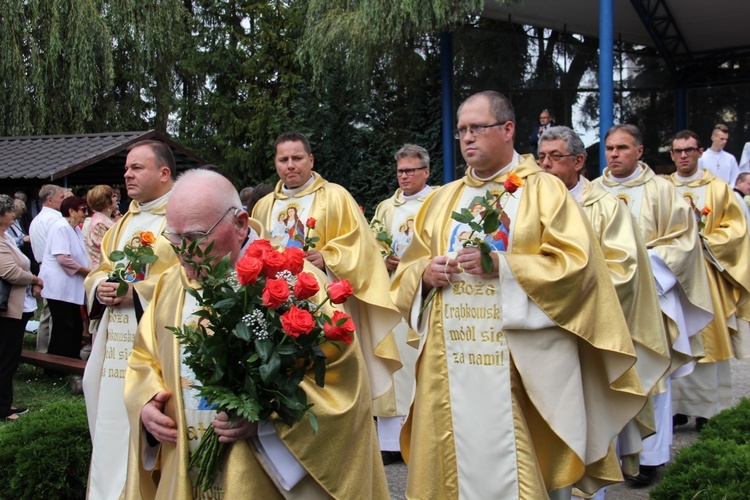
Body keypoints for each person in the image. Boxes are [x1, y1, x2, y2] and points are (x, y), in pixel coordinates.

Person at [392, 91, 646, 498]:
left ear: (508, 130)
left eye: (478, 128)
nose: (468, 138)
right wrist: (424, 275)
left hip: (522, 362)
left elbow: (577, 267)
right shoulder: (442, 199)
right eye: (462, 130)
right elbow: (407, 270)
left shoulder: (545, 191)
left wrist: (505, 267)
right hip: (451, 359)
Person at [123, 169, 389, 498]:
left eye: (194, 237)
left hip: (264, 476)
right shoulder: (169, 285)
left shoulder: (294, 281)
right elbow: (143, 356)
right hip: (187, 462)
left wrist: (267, 420)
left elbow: (340, 378)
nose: (184, 252)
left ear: (240, 223)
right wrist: (146, 402)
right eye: (174, 239)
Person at [538, 126, 671, 493]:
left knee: (588, 428)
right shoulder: (524, 206)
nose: (545, 165)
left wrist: (561, 295)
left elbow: (622, 273)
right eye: (541, 157)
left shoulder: (606, 208)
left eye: (555, 157)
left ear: (579, 162)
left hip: (588, 338)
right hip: (536, 339)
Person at [593, 124, 714, 484]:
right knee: (606, 374)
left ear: (640, 151)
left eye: (622, 148)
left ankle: (650, 457)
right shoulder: (592, 193)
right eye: (610, 148)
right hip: (605, 299)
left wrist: (642, 267)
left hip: (650, 300)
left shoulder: (662, 190)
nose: (614, 155)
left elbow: (684, 241)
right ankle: (607, 454)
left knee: (652, 374)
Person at [252, 132, 402, 402]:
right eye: (283, 159)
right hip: (276, 304)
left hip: (324, 302)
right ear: (275, 163)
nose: (291, 165)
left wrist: (328, 257)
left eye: (297, 158)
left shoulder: (336, 196)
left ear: (310, 160)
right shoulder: (263, 206)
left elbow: (362, 245)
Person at [82, 140, 180, 500]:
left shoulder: (181, 217)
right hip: (115, 342)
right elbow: (103, 268)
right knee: (110, 422)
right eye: (127, 169)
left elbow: (189, 279)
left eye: (136, 167)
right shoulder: (123, 222)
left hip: (157, 343)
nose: (127, 175)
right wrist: (101, 287)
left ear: (164, 173)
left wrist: (137, 292)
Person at [666, 130, 750, 431]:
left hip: (706, 271)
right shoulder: (662, 187)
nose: (684, 156)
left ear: (700, 152)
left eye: (689, 150)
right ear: (672, 155)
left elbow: (737, 230)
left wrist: (707, 240)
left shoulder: (718, 188)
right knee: (676, 336)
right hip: (671, 276)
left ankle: (707, 410)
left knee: (707, 335)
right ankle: (676, 409)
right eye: (678, 151)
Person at [371, 144, 433, 465]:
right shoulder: (385, 208)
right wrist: (384, 257)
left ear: (426, 171)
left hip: (423, 293)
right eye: (400, 171)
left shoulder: (438, 202)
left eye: (410, 170)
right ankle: (390, 444)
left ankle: (422, 438)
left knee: (420, 364)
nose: (404, 176)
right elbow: (372, 241)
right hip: (392, 295)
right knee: (392, 364)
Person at [0, 194, 44, 422]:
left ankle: (6, 402)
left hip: (17, 306)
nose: (13, 215)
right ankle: (2, 409)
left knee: (10, 357)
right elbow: (9, 272)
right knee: (5, 358)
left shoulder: (5, 237)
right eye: (9, 212)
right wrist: (35, 280)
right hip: (7, 310)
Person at [38, 196, 90, 360]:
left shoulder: (75, 228)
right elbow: (63, 258)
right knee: (64, 326)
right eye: (83, 209)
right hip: (59, 287)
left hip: (71, 286)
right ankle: (57, 365)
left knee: (74, 325)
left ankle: (72, 359)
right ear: (71, 211)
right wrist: (86, 271)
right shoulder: (60, 227)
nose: (86, 213)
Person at [29, 184, 65, 354]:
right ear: (50, 200)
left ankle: (42, 349)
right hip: (55, 268)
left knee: (47, 313)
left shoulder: (37, 219)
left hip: (43, 266)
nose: (64, 201)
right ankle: (48, 353)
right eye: (61, 197)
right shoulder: (55, 219)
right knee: (54, 313)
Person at [84, 185, 118, 268]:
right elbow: (107, 249)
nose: (116, 198)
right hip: (103, 267)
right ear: (106, 201)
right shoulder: (99, 223)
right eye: (113, 196)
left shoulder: (103, 219)